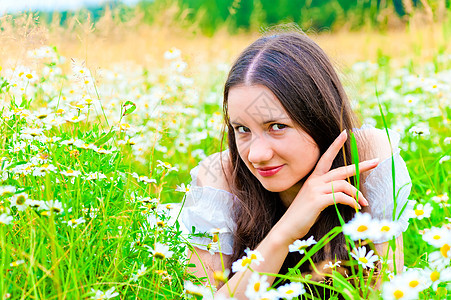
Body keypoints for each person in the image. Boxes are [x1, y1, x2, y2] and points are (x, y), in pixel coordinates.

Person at [181, 29, 412, 299]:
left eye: (277, 126)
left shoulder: (368, 157)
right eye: (242, 129)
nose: (256, 154)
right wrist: (287, 230)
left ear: (318, 117)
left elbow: (386, 290)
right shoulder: (220, 179)